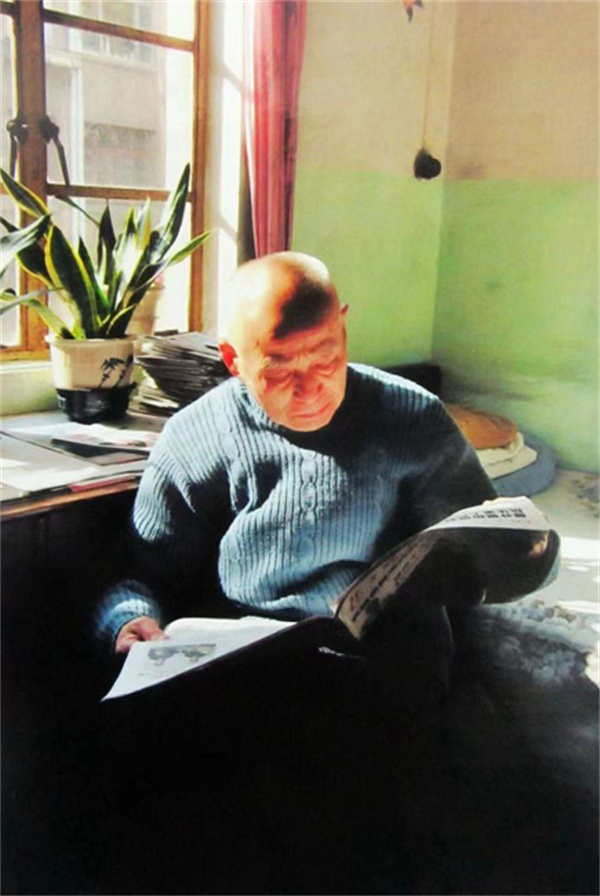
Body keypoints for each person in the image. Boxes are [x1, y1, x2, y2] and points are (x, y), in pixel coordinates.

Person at [95, 251, 557, 661]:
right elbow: (142, 572)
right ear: (233, 360)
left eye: (326, 359)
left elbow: (482, 552)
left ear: (343, 327)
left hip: (387, 652)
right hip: (254, 654)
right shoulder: (196, 437)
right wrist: (130, 618)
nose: (310, 390)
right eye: (281, 371)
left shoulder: (413, 417)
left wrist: (526, 555)